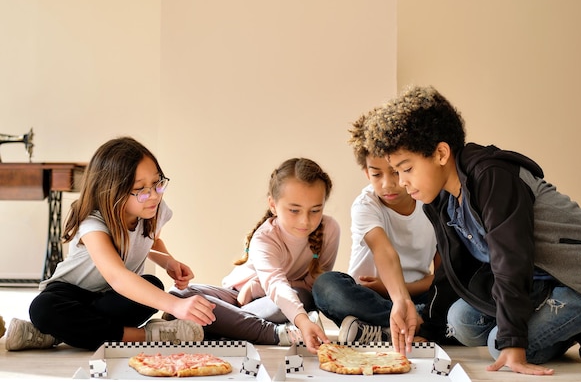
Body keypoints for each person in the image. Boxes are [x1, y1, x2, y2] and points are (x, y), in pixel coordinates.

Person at [359, 85, 581, 376]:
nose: (402, 182)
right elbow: (451, 273)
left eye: (406, 169)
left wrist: (514, 343)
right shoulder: (441, 201)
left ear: (441, 153)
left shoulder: (492, 178)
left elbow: (511, 259)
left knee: (502, 348)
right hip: (542, 281)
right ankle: (574, 325)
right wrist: (426, 323)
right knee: (460, 320)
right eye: (397, 171)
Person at [4, 137, 216, 351]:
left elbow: (152, 240)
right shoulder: (92, 222)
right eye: (141, 189)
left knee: (153, 286)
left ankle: (50, 335)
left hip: (111, 299)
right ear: (112, 190)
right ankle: (146, 336)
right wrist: (175, 305)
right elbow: (117, 276)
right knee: (44, 309)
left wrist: (168, 261)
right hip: (72, 292)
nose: (153, 195)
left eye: (157, 183)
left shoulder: (154, 209)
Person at [167, 157, 339, 353]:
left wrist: (258, 287)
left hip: (279, 300)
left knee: (301, 297)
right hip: (236, 296)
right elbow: (272, 283)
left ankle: (228, 325)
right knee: (178, 294)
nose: (305, 220)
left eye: (315, 210)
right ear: (273, 205)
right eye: (294, 210)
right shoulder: (264, 238)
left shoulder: (330, 230)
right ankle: (254, 328)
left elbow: (307, 286)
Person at [312, 115, 439, 344]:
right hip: (370, 295)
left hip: (417, 294)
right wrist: (398, 299)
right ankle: (416, 325)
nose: (387, 184)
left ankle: (382, 331)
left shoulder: (431, 200)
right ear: (366, 173)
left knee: (459, 303)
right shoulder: (365, 205)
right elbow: (384, 251)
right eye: (376, 174)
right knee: (327, 287)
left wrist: (407, 292)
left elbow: (444, 277)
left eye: (396, 172)